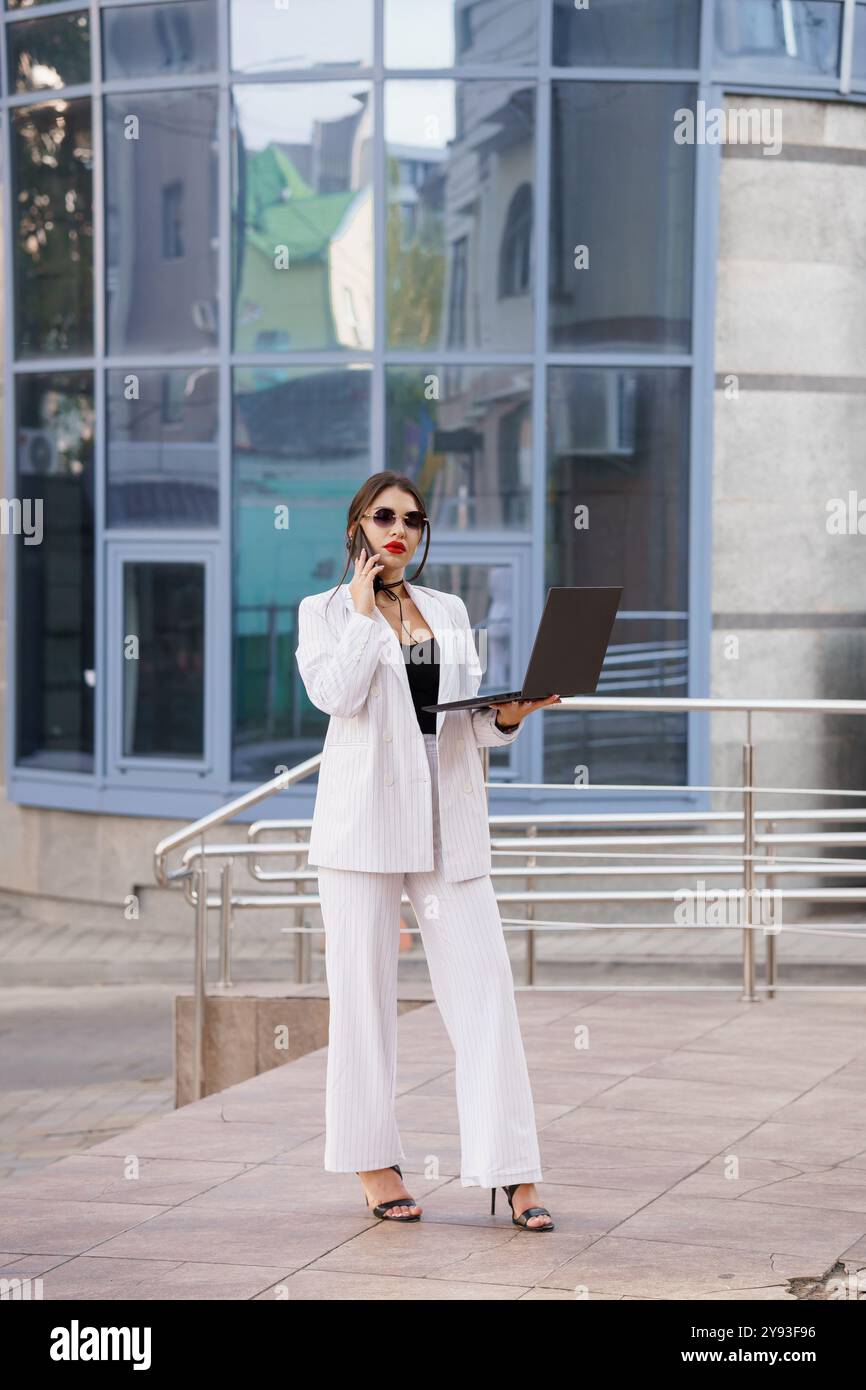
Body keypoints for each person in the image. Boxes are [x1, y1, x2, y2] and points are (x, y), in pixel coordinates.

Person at [294, 471, 560, 1231]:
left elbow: (462, 725)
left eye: (411, 518)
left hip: (448, 823)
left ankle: (512, 1170)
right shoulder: (321, 613)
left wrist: (508, 716)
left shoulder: (448, 610)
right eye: (383, 517)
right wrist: (360, 608)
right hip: (362, 827)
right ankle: (373, 1163)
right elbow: (337, 698)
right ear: (358, 528)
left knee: (486, 994)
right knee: (364, 1002)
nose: (398, 529)